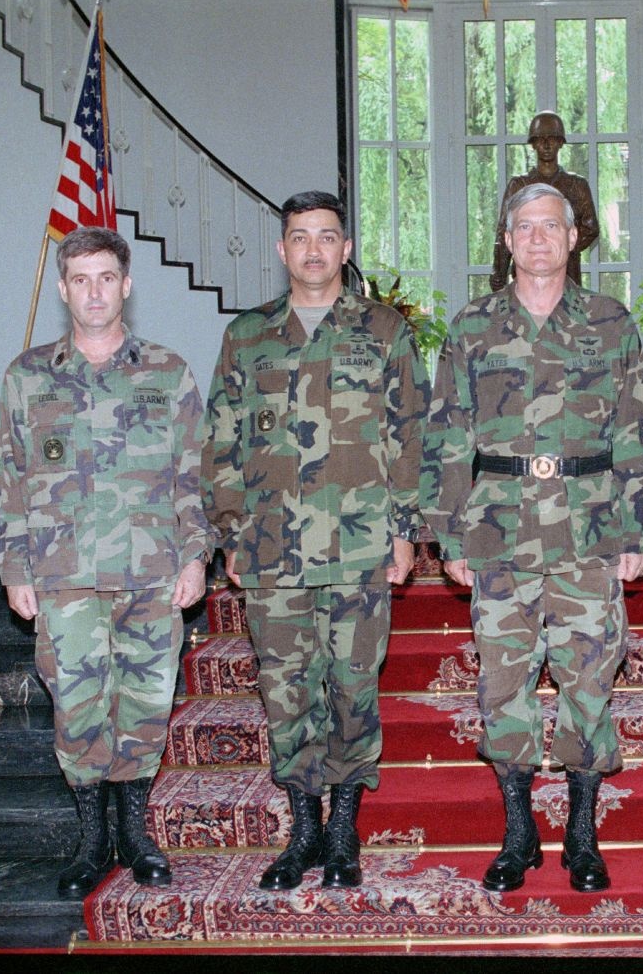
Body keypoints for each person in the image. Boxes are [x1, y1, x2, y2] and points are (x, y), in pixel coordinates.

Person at [423, 183, 643, 894]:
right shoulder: (472, 329)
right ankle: (518, 831)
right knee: (504, 688)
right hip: (497, 531)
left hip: (589, 530)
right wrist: (448, 533)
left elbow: (639, 430)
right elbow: (446, 434)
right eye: (523, 227)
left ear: (572, 239)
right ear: (505, 240)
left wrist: (637, 527)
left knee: (589, 681)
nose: (536, 238)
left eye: (549, 226)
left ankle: (583, 833)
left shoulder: (609, 322)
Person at [201, 190, 429, 891]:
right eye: (299, 237)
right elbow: (221, 442)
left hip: (359, 548)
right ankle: (303, 829)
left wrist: (404, 531)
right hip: (272, 551)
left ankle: (343, 831)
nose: (313, 250)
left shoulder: (384, 330)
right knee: (287, 692)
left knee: (354, 688)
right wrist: (231, 533)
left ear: (346, 248)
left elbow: (410, 434)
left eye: (327, 236)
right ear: (282, 249)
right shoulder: (248, 336)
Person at [0, 226, 211, 899]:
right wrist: (14, 567)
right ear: (62, 288)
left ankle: (136, 836)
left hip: (151, 574)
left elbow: (194, 474)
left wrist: (195, 554)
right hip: (64, 577)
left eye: (106, 278)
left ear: (126, 285)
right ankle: (93, 841)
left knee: (144, 706)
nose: (94, 291)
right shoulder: (27, 377)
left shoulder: (167, 372)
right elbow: (7, 481)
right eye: (80, 279)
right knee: (79, 710)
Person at [489, 111, 601, 292]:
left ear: (560, 143)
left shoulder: (577, 185)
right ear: (533, 144)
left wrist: (563, 245)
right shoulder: (518, 185)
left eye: (553, 138)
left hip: (567, 275)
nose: (547, 144)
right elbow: (504, 231)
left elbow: (591, 227)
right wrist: (498, 273)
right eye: (541, 139)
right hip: (526, 274)